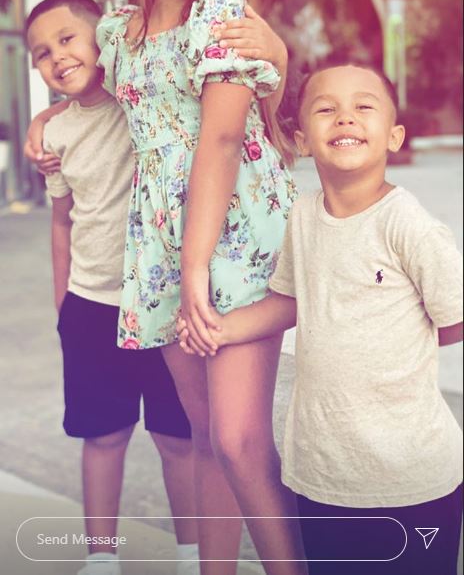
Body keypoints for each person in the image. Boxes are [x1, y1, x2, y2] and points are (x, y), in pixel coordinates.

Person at [24, 0, 286, 575]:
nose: (57, 57)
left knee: (180, 437)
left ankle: (192, 554)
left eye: (67, 40)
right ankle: (100, 558)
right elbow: (61, 223)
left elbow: (212, 109)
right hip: (93, 304)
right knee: (103, 436)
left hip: (158, 295)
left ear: (105, 40)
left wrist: (275, 50)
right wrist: (63, 306)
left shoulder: (137, 96)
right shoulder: (56, 137)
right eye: (42, 53)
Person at [91, 0, 305, 575]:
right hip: (160, 238)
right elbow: (91, 98)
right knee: (207, 433)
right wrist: (45, 123)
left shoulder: (221, 13)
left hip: (234, 231)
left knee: (239, 440)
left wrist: (195, 269)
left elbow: (222, 138)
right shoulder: (115, 32)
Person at [179, 62, 463, 575]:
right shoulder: (303, 216)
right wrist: (221, 327)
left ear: (394, 136)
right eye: (326, 109)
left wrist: (399, 342)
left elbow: (456, 316)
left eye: (363, 107)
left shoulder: (408, 225)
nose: (345, 118)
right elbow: (291, 300)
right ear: (302, 140)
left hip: (411, 477)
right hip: (323, 474)